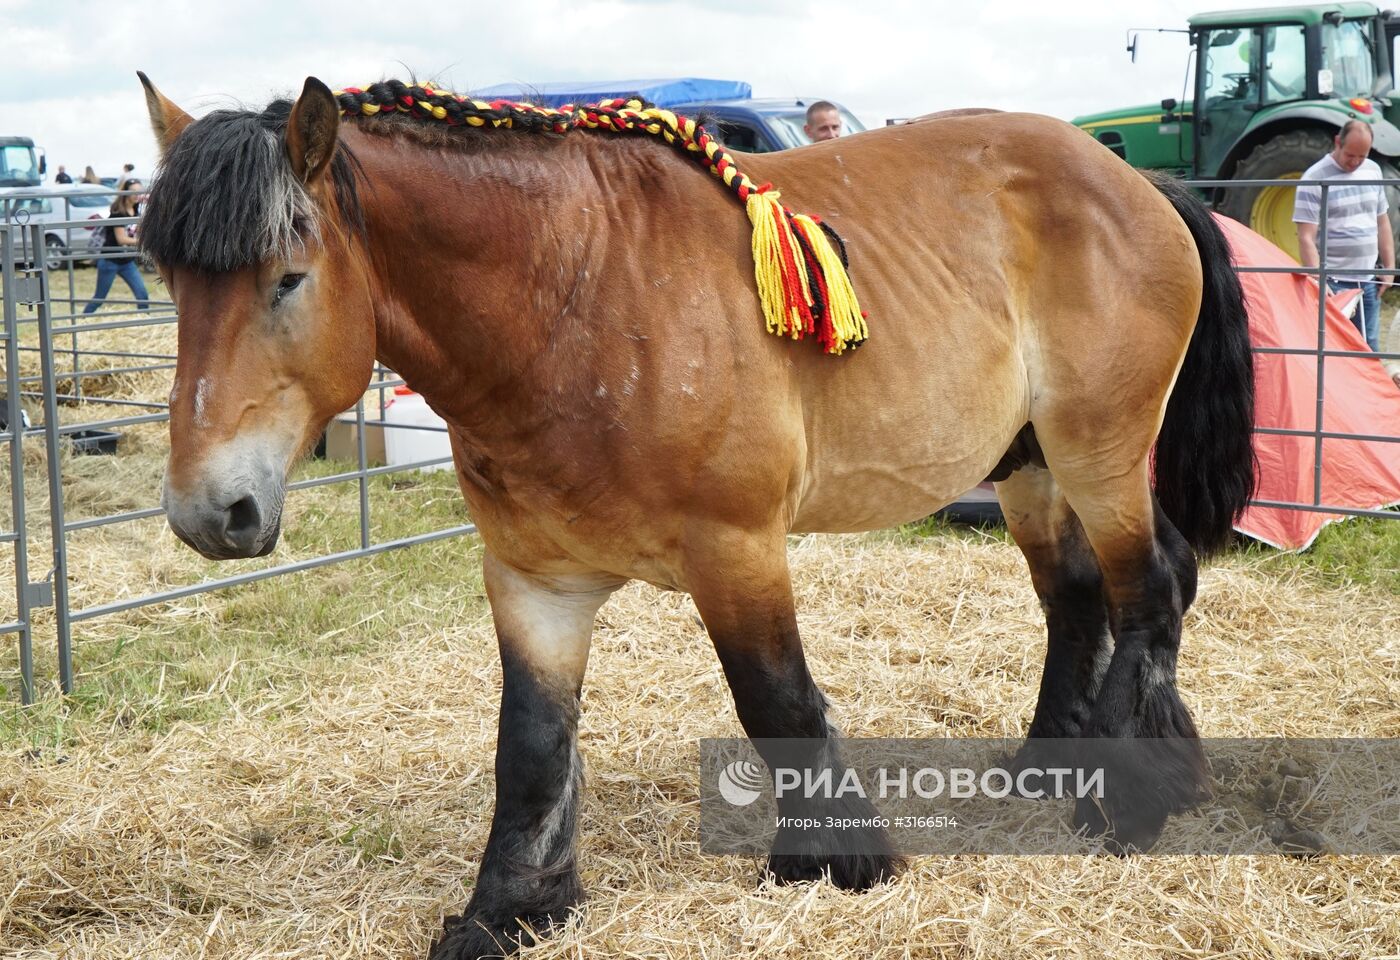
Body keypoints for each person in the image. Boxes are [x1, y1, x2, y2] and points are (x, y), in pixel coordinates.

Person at [1294, 120, 1394, 351]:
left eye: (1362, 155)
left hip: (1369, 278)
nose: (1356, 162)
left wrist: (1389, 268)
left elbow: (1382, 220)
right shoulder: (1314, 178)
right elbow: (1305, 237)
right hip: (1333, 282)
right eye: (1350, 155)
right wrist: (1319, 279)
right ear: (1338, 142)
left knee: (1370, 346)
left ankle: (1368, 388)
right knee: (1335, 348)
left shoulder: (1373, 170)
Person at [83, 180, 149, 315]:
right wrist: (143, 242)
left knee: (142, 295)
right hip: (110, 261)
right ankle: (82, 319)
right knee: (99, 298)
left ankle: (144, 322)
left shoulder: (136, 210)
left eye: (139, 191)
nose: (137, 195)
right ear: (125, 193)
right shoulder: (118, 211)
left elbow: (137, 231)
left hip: (127, 261)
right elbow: (121, 239)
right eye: (133, 191)